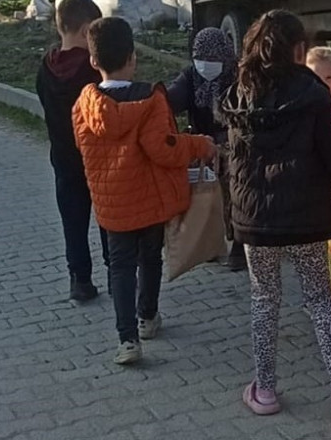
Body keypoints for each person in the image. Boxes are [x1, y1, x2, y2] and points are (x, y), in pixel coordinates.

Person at [216, 9, 331, 422]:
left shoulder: (239, 95)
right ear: (298, 49)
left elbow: (233, 163)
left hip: (255, 222)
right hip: (306, 218)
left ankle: (265, 390)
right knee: (320, 300)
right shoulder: (310, 95)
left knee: (264, 299)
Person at [72, 17, 216, 364]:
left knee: (119, 267)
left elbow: (81, 146)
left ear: (94, 62)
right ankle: (147, 316)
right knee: (149, 258)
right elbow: (163, 149)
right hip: (150, 200)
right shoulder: (151, 102)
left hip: (112, 204)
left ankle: (127, 340)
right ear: (133, 57)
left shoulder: (83, 106)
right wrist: (200, 145)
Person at [35, 0, 107, 302]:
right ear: (86, 30)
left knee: (73, 222)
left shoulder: (45, 69)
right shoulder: (91, 73)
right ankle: (117, 272)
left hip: (63, 159)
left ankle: (79, 279)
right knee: (108, 218)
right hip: (98, 159)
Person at [166, 27, 246, 271]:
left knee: (235, 192)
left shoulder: (237, 77)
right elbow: (169, 103)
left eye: (212, 60)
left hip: (234, 145)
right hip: (202, 145)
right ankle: (209, 242)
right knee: (202, 196)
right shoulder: (191, 77)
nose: (205, 65)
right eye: (200, 59)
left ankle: (240, 247)